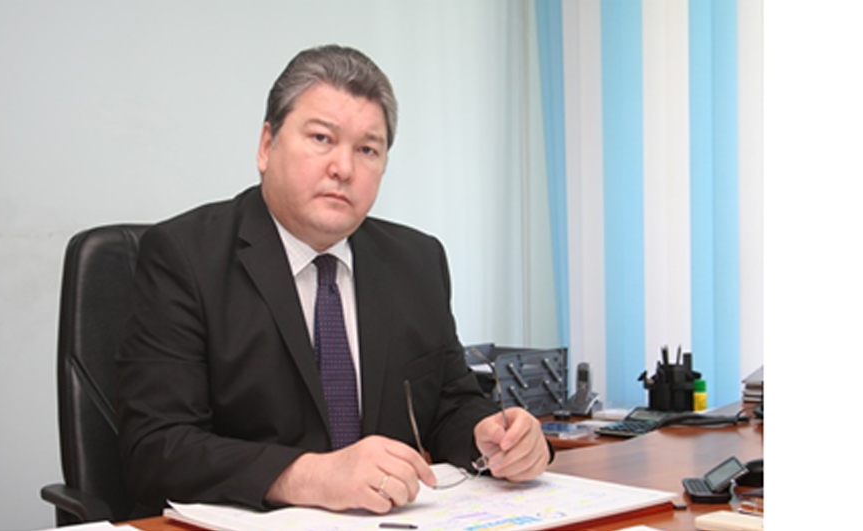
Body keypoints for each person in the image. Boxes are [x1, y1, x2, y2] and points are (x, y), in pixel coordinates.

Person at [116, 44, 552, 517]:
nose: (343, 168)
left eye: (367, 150)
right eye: (322, 138)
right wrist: (311, 476)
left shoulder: (417, 262)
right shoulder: (184, 258)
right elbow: (157, 449)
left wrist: (490, 437)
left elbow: (450, 404)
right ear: (267, 145)